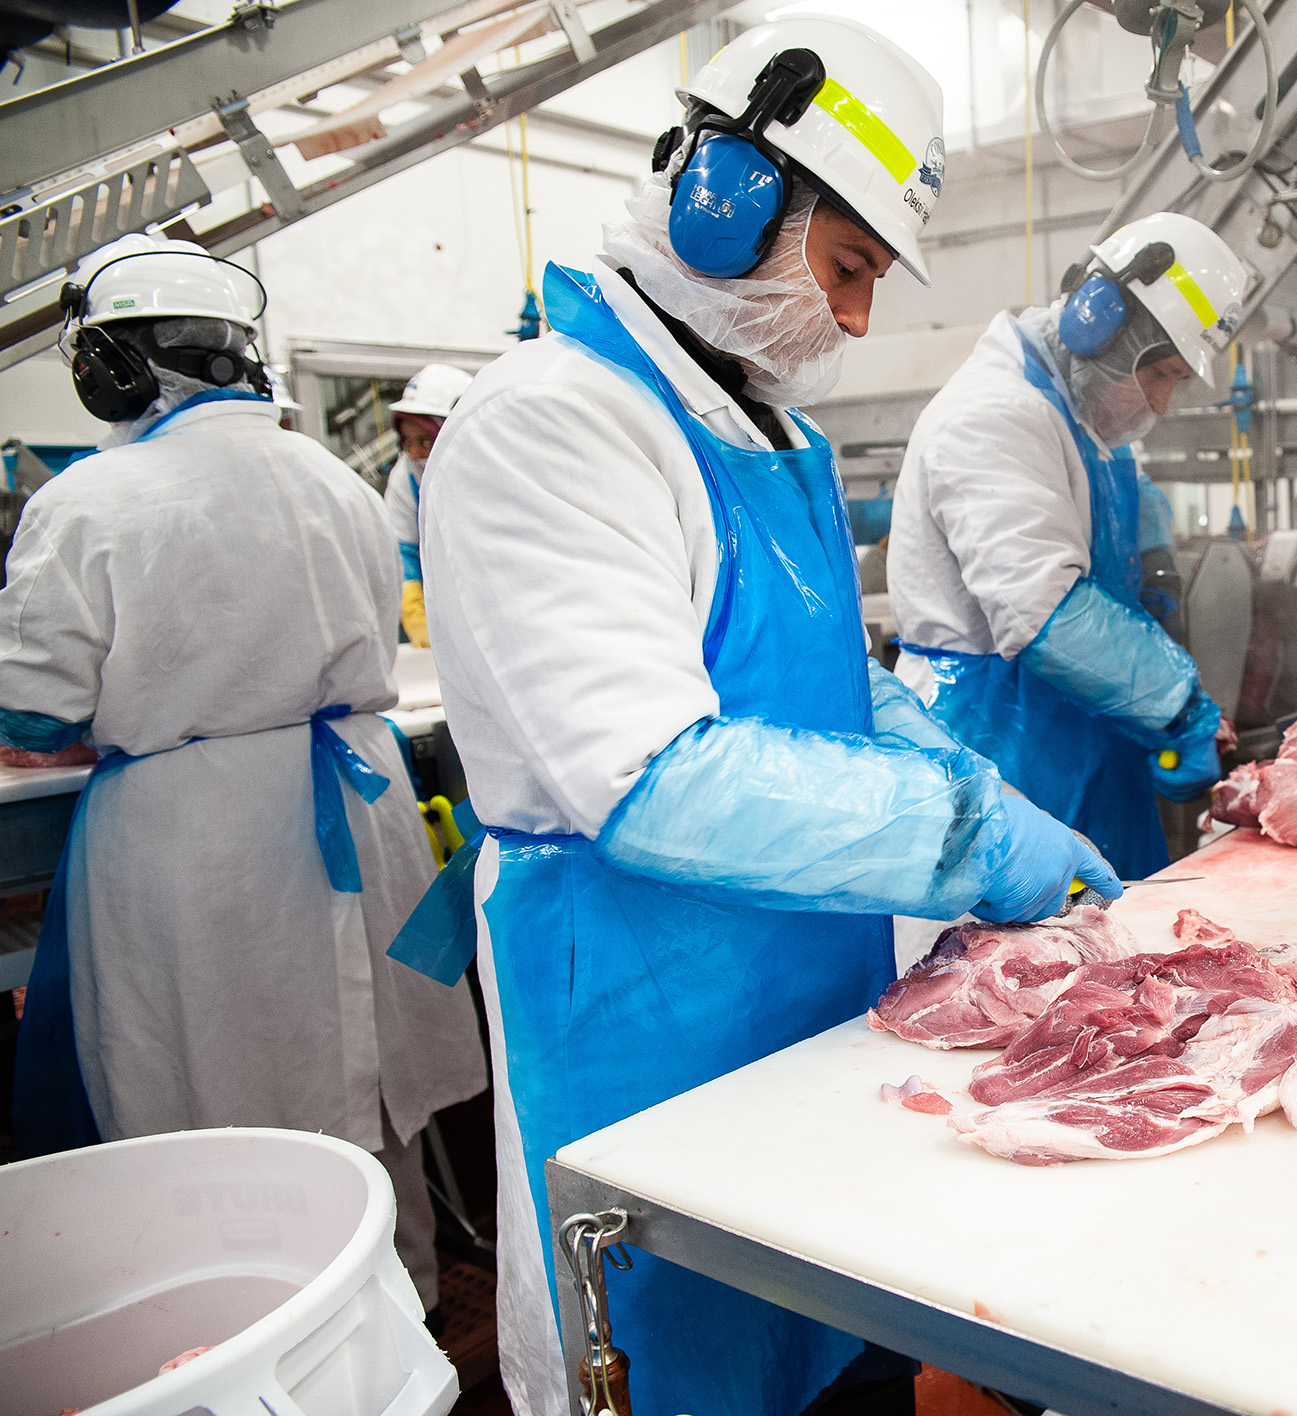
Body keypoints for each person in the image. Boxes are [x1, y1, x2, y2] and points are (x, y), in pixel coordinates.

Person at [410, 19, 1119, 1416]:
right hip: (645, 996)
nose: (855, 322)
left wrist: (976, 786)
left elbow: (838, 688)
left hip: (801, 976)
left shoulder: (772, 437)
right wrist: (974, 839)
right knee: (677, 1349)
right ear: (722, 200)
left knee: (826, 1335)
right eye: (847, 268)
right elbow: (650, 782)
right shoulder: (554, 420)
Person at [0, 234, 488, 1312]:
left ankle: (239, 1324)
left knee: (209, 1093)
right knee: (367, 1082)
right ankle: (398, 1308)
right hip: (352, 795)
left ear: (108, 369)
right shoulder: (335, 480)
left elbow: (34, 706)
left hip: (199, 835)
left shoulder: (91, 500)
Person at [887, 213, 1248, 879]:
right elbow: (1045, 615)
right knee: (1012, 942)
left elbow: (1125, 524)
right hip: (1001, 750)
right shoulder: (993, 414)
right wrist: (1180, 708)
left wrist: (1155, 578)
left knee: (1128, 938)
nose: (1162, 405)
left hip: (1090, 737)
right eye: (1160, 374)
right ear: (1099, 323)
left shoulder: (1082, 415)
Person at [382, 362, 474, 647]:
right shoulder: (406, 477)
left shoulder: (492, 471)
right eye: (406, 441)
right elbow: (403, 549)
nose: (413, 453)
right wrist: (414, 611)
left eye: (424, 441)